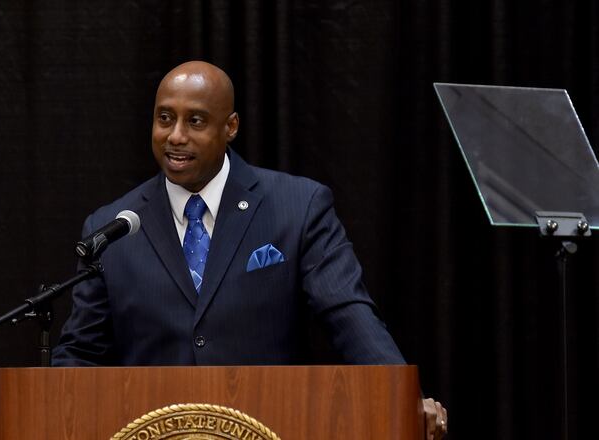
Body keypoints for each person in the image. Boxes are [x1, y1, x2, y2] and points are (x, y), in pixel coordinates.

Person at [52, 61, 448, 439]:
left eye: (196, 121)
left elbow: (347, 312)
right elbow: (81, 352)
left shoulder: (297, 206)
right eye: (165, 118)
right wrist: (59, 412)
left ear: (231, 127)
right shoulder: (113, 229)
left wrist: (402, 396)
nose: (175, 136)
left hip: (270, 424)